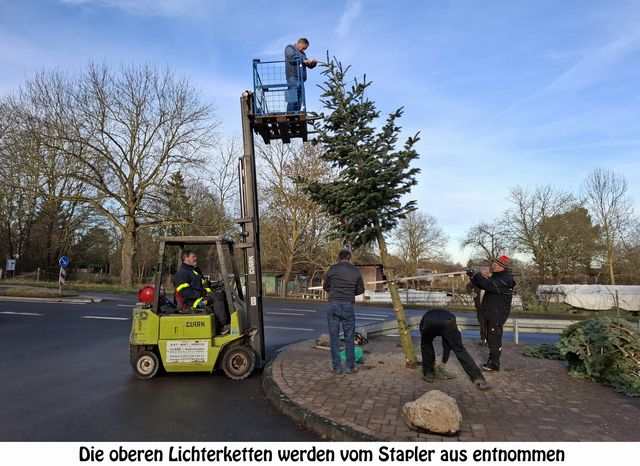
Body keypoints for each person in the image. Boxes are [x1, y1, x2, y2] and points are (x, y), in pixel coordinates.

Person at [467, 255, 516, 371]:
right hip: (490, 313)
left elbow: (488, 285)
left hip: (497, 314)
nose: (493, 266)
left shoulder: (505, 279)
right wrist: (472, 276)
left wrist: (479, 275)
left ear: (502, 267)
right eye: (493, 264)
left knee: (494, 339)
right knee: (490, 339)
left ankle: (494, 364)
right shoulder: (497, 277)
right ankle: (492, 361)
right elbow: (481, 284)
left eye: (495, 265)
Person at [419, 308, 488, 390]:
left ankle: (429, 374)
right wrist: (444, 361)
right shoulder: (450, 317)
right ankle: (479, 379)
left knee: (426, 344)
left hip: (430, 320)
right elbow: (448, 344)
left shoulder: (425, 319)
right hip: (448, 321)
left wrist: (441, 361)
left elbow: (425, 339)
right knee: (459, 349)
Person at [322, 249, 364, 375]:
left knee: (334, 338)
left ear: (339, 258)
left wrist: (334, 291)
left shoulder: (332, 269)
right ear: (349, 258)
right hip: (348, 305)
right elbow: (361, 289)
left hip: (333, 304)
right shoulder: (355, 271)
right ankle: (350, 367)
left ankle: (337, 368)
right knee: (349, 337)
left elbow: (325, 287)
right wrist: (350, 292)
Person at [173, 250, 230, 334]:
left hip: (201, 297)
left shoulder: (194, 271)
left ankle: (229, 322)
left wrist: (213, 286)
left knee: (224, 295)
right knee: (217, 297)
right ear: (186, 258)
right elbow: (185, 292)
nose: (196, 258)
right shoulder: (182, 273)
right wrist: (203, 293)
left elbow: (202, 285)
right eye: (193, 257)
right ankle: (222, 325)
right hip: (195, 302)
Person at [284, 38, 317, 112]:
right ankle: (289, 114)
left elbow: (308, 64)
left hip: (301, 79)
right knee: (292, 95)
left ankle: (296, 113)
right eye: (303, 48)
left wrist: (313, 63)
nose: (303, 50)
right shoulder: (290, 48)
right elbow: (291, 58)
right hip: (292, 76)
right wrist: (304, 61)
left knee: (300, 98)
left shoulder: (303, 54)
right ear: (299, 43)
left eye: (305, 49)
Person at [466, 267, 488, 345]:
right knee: (482, 323)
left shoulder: (490, 280)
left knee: (489, 323)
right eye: (481, 273)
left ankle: (489, 340)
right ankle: (483, 340)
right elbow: (468, 286)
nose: (482, 275)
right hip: (479, 306)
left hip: (489, 307)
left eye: (483, 273)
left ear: (487, 273)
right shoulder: (476, 280)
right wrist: (473, 294)